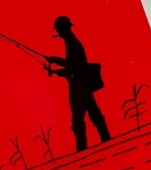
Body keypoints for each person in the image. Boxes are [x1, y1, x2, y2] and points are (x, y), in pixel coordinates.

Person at [45, 16, 110, 152]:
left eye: (58, 29)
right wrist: (57, 65)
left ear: (64, 28)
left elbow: (74, 67)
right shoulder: (71, 41)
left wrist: (57, 65)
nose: (58, 32)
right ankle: (106, 140)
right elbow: (72, 65)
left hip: (79, 87)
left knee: (78, 121)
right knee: (94, 115)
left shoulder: (72, 43)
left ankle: (82, 151)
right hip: (82, 84)